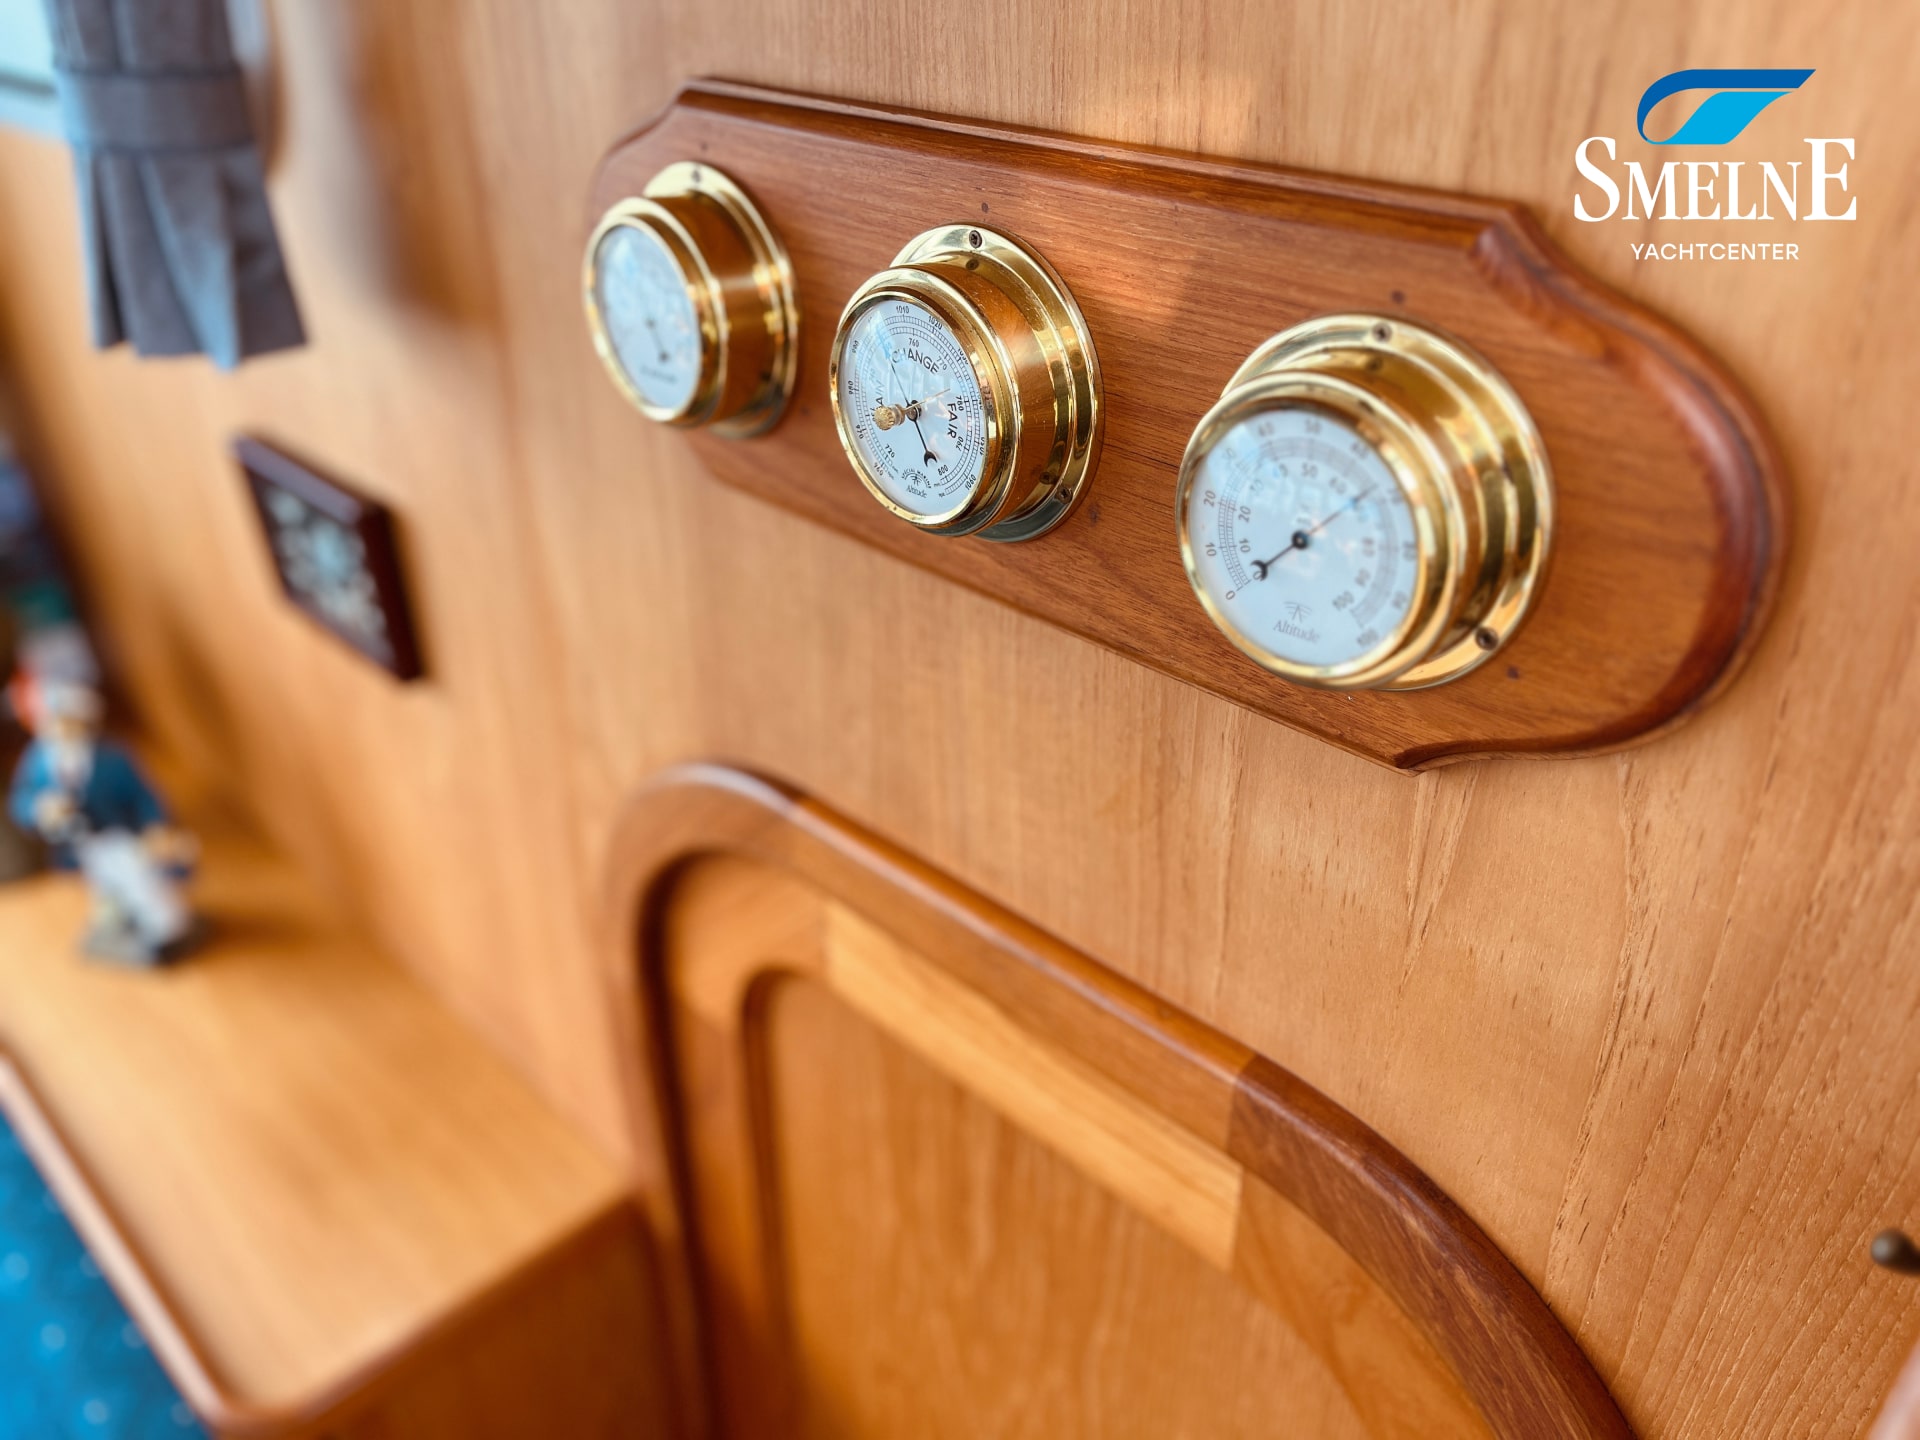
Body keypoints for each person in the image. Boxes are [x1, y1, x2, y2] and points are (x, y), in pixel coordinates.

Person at [6, 671, 197, 963]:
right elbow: (21, 800)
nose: (60, 728)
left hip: (118, 836)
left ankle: (167, 928)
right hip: (80, 844)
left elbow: (144, 796)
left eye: (69, 720)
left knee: (140, 881)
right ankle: (117, 919)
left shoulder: (113, 759)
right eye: (53, 721)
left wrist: (156, 826)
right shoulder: (38, 759)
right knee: (104, 886)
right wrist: (40, 809)